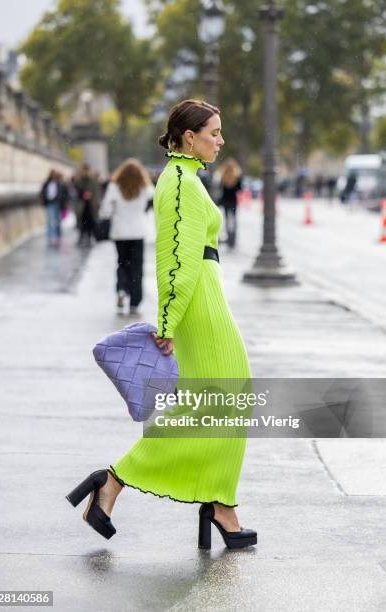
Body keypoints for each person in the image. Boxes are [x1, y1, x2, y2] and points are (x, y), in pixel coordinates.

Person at [66, 99, 257, 549]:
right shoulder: (178, 182)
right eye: (214, 132)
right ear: (188, 137)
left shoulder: (184, 178)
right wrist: (168, 321)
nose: (221, 141)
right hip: (198, 305)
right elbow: (177, 260)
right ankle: (115, 481)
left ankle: (218, 503)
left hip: (205, 296)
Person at [98, 159, 155, 314]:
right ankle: (135, 301)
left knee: (122, 263)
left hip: (120, 232)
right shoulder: (145, 188)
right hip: (138, 232)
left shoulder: (113, 187)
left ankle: (122, 289)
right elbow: (154, 200)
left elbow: (105, 210)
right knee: (137, 267)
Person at [217, 157, 243, 248]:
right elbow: (240, 189)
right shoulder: (237, 176)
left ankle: (229, 238)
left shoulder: (223, 175)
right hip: (233, 201)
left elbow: (220, 188)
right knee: (234, 220)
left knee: (227, 220)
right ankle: (233, 239)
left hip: (225, 201)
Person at [74, 164, 100, 247]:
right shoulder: (79, 180)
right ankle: (81, 237)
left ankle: (89, 238)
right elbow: (75, 189)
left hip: (90, 205)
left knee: (90, 222)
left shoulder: (92, 180)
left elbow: (96, 192)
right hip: (82, 205)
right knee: (81, 222)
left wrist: (92, 198)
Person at [40, 169, 63, 247]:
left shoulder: (58, 183)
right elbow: (42, 192)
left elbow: (62, 193)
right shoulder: (47, 183)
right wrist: (44, 200)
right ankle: (50, 238)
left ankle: (57, 236)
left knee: (57, 221)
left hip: (57, 203)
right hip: (49, 203)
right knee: (50, 221)